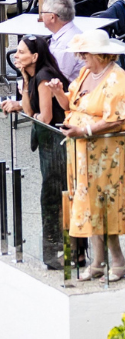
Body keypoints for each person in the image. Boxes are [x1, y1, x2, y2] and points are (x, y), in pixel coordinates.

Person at [49, 31, 125, 281]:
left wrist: (85, 129)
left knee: (105, 206)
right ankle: (97, 263)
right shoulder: (86, 73)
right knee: (88, 205)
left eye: (85, 54)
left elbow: (118, 120)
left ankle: (117, 262)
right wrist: (59, 92)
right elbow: (70, 105)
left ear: (100, 54)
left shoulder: (117, 78)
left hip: (105, 153)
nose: (81, 59)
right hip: (81, 152)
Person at [1, 36, 69, 269]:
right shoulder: (33, 77)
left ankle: (59, 250)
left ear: (35, 56)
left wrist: (33, 114)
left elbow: (45, 118)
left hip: (57, 144)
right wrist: (24, 78)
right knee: (51, 196)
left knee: (54, 197)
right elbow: (30, 111)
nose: (16, 56)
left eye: (21, 52)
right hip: (49, 144)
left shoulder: (44, 77)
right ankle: (54, 251)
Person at [40, 0, 83, 81]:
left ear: (52, 17)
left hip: (70, 91)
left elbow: (56, 79)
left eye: (43, 12)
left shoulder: (65, 44)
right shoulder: (70, 32)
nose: (41, 16)